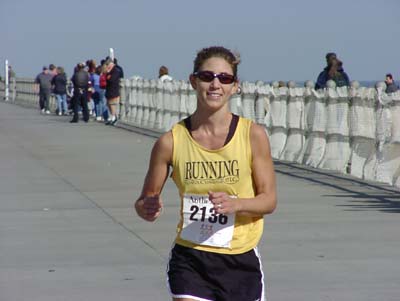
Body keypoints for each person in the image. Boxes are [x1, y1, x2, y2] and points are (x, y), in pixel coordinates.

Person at [135, 46, 277, 301]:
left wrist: (236, 204)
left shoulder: (253, 135)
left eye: (224, 78)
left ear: (235, 86)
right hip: (191, 259)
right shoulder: (170, 142)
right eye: (207, 76)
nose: (215, 84)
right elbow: (145, 200)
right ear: (193, 81)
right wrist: (147, 206)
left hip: (240, 258)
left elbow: (269, 200)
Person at [104, 59, 122, 125]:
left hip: (113, 89)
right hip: (110, 90)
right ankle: (112, 117)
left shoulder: (115, 71)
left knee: (112, 104)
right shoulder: (111, 71)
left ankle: (114, 117)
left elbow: (111, 79)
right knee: (109, 104)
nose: (107, 66)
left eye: (108, 65)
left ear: (111, 64)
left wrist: (108, 75)